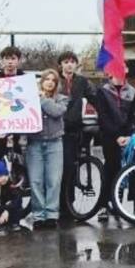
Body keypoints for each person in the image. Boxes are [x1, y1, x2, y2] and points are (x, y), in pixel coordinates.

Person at [93, 71, 135, 220]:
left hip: (129, 136)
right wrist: (116, 136)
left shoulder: (134, 91)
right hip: (110, 136)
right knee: (111, 168)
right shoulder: (102, 91)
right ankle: (104, 205)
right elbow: (103, 117)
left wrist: (129, 134)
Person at [26, 69, 69, 229]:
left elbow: (56, 111)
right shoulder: (31, 99)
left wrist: (42, 99)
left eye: (53, 80)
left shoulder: (62, 99)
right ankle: (38, 215)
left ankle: (51, 214)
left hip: (54, 143)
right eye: (47, 79)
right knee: (36, 180)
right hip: (34, 143)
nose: (50, 82)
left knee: (53, 180)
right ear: (41, 81)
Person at [56, 52, 94, 222]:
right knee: (57, 171)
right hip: (56, 129)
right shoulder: (55, 79)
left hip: (73, 130)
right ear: (60, 65)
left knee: (70, 168)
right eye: (66, 62)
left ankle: (68, 205)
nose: (69, 65)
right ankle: (56, 206)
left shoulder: (82, 81)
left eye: (72, 62)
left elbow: (95, 97)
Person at [0, 46, 27, 162]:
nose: (10, 62)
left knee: (19, 164)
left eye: (13, 58)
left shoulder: (26, 80)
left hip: (19, 128)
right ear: (2, 60)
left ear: (18, 61)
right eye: (7, 58)